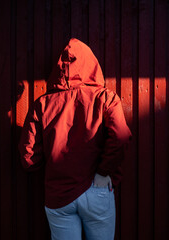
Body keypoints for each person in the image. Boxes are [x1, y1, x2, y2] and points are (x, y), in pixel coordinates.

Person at [19, 38, 132, 240]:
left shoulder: (42, 104)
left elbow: (28, 156)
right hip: (96, 188)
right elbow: (121, 138)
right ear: (92, 64)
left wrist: (53, 169)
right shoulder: (105, 98)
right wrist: (103, 172)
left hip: (59, 193)